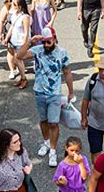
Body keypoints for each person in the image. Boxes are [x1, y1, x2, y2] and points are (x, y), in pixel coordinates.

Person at [17, 26, 74, 167]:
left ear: (54, 39)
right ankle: (46, 143)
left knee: (53, 123)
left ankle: (53, 151)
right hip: (39, 92)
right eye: (44, 42)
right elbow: (19, 56)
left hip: (54, 93)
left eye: (49, 42)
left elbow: (67, 72)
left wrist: (71, 91)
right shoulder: (38, 50)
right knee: (43, 120)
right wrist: (30, 42)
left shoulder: (62, 53)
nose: (46, 45)